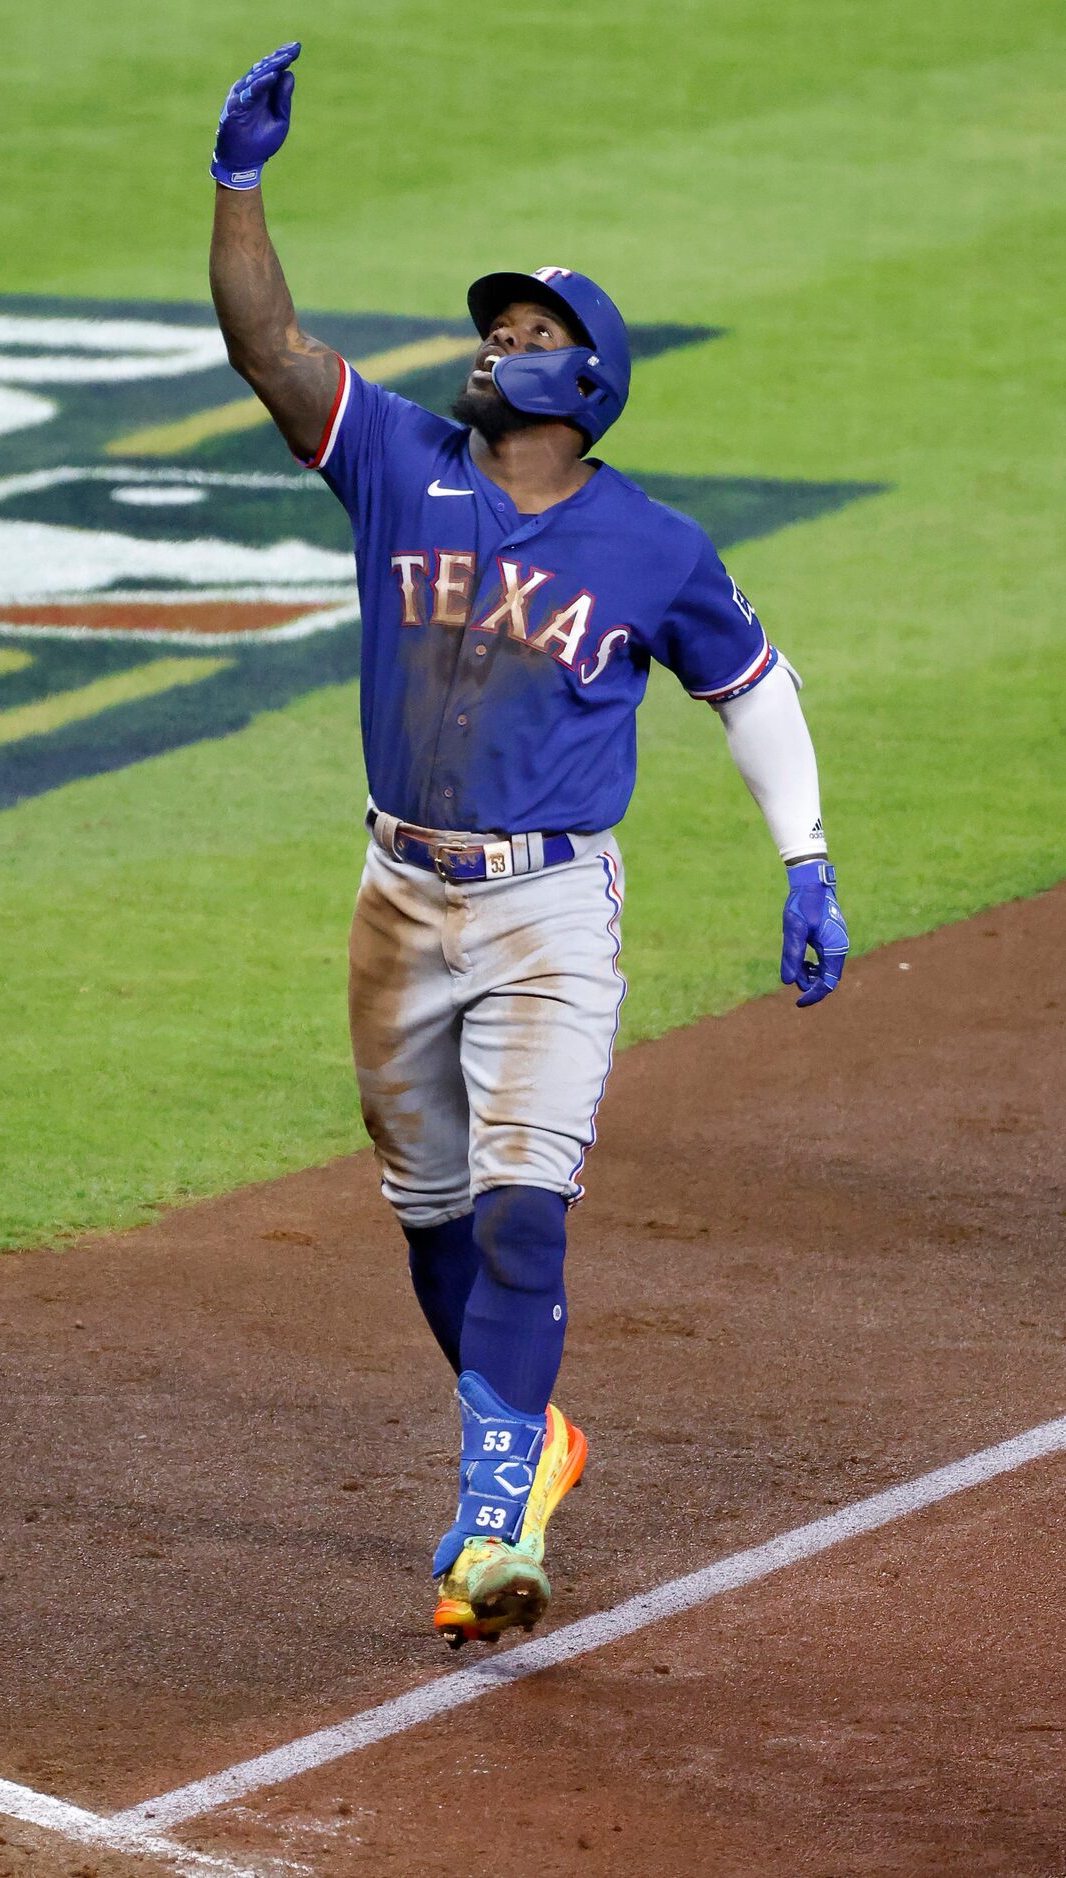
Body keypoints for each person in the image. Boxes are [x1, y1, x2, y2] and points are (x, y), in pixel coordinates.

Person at [207, 44, 849, 1648]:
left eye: (530, 335)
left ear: (587, 380)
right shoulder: (397, 463)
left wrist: (807, 857)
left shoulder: (653, 544)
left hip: (549, 905)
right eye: (494, 332)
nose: (496, 350)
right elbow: (267, 342)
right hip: (394, 888)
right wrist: (237, 185)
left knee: (518, 1201)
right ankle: (531, 1431)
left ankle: (492, 1506)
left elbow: (750, 691)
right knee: (428, 1208)